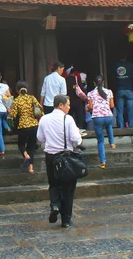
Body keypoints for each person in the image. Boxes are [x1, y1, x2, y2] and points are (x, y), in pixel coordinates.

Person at [37, 95, 83, 228]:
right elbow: (75, 139)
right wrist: (79, 137)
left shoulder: (44, 119)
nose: (69, 108)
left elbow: (40, 138)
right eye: (67, 105)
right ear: (61, 105)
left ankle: (55, 205)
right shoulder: (67, 119)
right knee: (68, 188)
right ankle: (66, 219)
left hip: (51, 156)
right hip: (66, 157)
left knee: (53, 183)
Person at [9, 81, 42, 174]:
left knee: (21, 144)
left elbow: (13, 115)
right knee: (31, 147)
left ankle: (25, 155)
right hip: (34, 125)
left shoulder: (16, 100)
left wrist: (8, 110)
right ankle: (31, 168)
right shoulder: (32, 98)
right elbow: (40, 110)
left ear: (17, 90)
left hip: (23, 126)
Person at [86, 76, 116, 169]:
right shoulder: (109, 91)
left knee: (100, 141)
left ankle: (103, 162)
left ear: (94, 83)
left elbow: (90, 108)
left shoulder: (90, 93)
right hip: (108, 116)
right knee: (109, 125)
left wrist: (88, 109)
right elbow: (112, 105)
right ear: (103, 82)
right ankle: (112, 142)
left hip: (97, 118)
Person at [114, 55, 133, 128]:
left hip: (119, 89)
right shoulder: (130, 65)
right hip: (129, 89)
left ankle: (121, 126)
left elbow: (113, 76)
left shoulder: (115, 65)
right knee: (131, 110)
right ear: (126, 57)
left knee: (120, 111)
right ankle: (131, 126)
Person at [66, 67, 87, 133]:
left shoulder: (65, 80)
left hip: (69, 101)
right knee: (79, 117)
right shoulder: (77, 78)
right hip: (78, 101)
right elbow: (81, 88)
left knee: (69, 116)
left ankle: (69, 130)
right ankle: (80, 130)